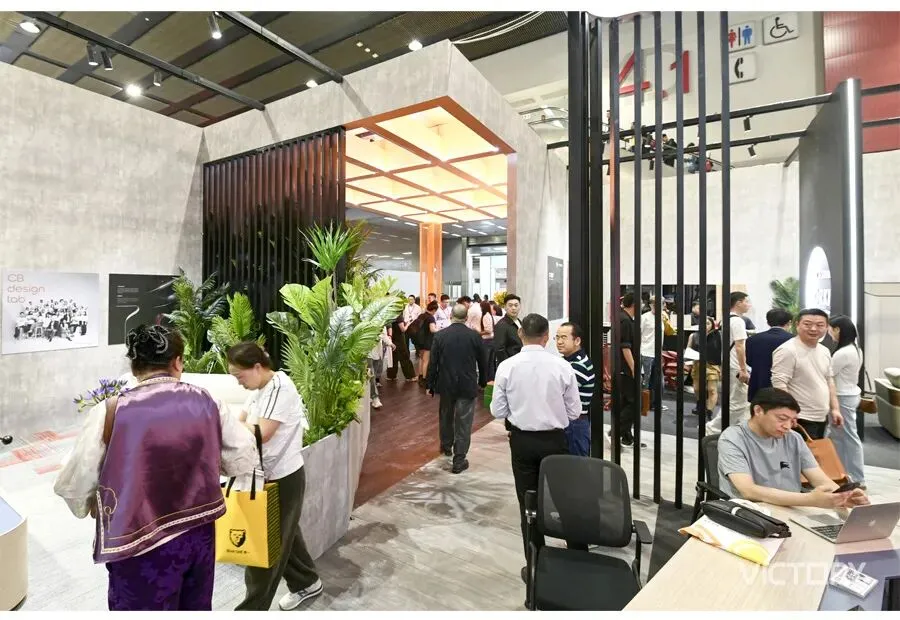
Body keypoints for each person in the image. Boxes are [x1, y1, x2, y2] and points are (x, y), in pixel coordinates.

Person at [54, 325, 257, 611]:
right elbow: (243, 456)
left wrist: (91, 506)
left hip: (138, 541)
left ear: (134, 365)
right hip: (199, 532)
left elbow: (74, 484)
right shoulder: (209, 401)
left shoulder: (112, 410)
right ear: (178, 362)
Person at [227, 342, 323, 611]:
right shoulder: (259, 389)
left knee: (264, 550)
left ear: (257, 367)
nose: (238, 383)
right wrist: (238, 424)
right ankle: (307, 582)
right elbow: (243, 421)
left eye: (239, 376)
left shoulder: (280, 387)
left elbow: (262, 432)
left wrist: (233, 423)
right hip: (265, 476)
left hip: (283, 478)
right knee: (284, 536)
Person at [490, 313, 581, 577]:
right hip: (555, 440)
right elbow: (575, 411)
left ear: (520, 335)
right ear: (546, 337)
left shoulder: (507, 367)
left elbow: (497, 410)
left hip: (522, 442)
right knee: (564, 499)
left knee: (527, 502)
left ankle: (536, 564)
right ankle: (578, 556)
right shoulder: (562, 366)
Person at [717, 388, 869, 508]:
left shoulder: (793, 438)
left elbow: (821, 480)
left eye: (792, 421)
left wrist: (843, 496)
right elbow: (748, 491)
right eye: (782, 419)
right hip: (750, 512)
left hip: (792, 508)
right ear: (758, 411)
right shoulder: (733, 438)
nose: (787, 426)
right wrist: (810, 500)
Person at [425, 304, 485, 473]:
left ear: (451, 316)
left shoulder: (440, 336)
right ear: (466, 318)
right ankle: (459, 459)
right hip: (467, 384)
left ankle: (446, 446)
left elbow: (433, 362)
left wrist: (430, 384)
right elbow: (482, 360)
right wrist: (482, 381)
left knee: (446, 415)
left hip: (446, 384)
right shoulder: (474, 336)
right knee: (464, 421)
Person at [771, 308, 843, 440]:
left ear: (826, 327)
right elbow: (779, 384)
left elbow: (829, 380)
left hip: (821, 415)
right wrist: (789, 413)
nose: (814, 329)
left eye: (820, 325)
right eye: (807, 324)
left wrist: (835, 409)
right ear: (797, 325)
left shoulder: (824, 350)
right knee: (800, 452)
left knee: (816, 450)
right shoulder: (787, 350)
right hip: (799, 418)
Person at [706, 292, 752, 434]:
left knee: (738, 401)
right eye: (746, 301)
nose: (749, 305)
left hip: (727, 363)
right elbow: (739, 346)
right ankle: (712, 429)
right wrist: (743, 369)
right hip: (735, 366)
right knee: (738, 402)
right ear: (738, 303)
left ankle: (738, 431)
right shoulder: (738, 321)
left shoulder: (725, 320)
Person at [828, 315, 866, 487]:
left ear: (837, 329)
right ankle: (842, 474)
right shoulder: (855, 349)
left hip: (842, 397)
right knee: (840, 437)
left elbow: (828, 374)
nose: (829, 333)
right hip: (850, 394)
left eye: (830, 329)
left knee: (848, 437)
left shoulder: (843, 353)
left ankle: (857, 478)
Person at [555, 322, 596, 457]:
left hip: (574, 424)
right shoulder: (568, 362)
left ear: (577, 341)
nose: (559, 342)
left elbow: (557, 394)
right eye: (557, 337)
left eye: (564, 337)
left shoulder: (578, 366)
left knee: (576, 465)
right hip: (571, 422)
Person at [613, 292, 642, 448]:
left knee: (625, 402)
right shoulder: (625, 320)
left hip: (621, 368)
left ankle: (626, 437)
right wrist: (634, 368)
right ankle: (616, 431)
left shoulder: (623, 318)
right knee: (634, 403)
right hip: (625, 369)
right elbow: (625, 347)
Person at [746, 308, 794, 401]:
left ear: (768, 322)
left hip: (759, 383)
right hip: (786, 387)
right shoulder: (794, 340)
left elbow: (749, 361)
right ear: (789, 322)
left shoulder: (753, 339)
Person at [688, 317, 722, 421]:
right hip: (697, 364)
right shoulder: (694, 336)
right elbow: (689, 348)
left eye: (708, 323)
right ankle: (700, 405)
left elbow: (721, 351)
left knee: (712, 389)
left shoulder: (718, 336)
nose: (705, 326)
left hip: (712, 365)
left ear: (712, 325)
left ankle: (709, 411)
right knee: (697, 388)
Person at [367, 325, 394, 410]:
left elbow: (383, 334)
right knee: (371, 375)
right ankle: (375, 397)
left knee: (372, 376)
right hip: (367, 352)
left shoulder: (382, 322)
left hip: (377, 352)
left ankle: (370, 395)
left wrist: (390, 343)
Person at [386, 311, 417, 382]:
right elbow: (403, 329)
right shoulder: (398, 315)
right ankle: (410, 376)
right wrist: (408, 324)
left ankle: (391, 376)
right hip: (399, 339)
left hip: (392, 338)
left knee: (393, 358)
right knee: (404, 357)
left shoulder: (389, 313)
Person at [413, 301, 439, 385]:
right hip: (427, 341)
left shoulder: (421, 315)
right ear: (434, 310)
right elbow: (432, 330)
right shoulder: (431, 318)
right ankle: (424, 379)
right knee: (426, 361)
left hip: (419, 341)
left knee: (421, 359)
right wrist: (440, 329)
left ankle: (420, 376)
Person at [493, 294, 523, 365]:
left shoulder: (519, 322)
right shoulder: (501, 325)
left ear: (520, 306)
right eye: (510, 305)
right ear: (505, 307)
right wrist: (508, 365)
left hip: (521, 362)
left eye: (516, 305)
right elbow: (499, 349)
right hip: (511, 365)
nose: (513, 308)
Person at [478, 299, 496, 384]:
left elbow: (488, 330)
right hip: (491, 341)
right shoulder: (489, 315)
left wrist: (479, 332)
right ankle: (490, 381)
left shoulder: (485, 316)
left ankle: (485, 381)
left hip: (487, 341)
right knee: (490, 363)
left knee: (485, 363)